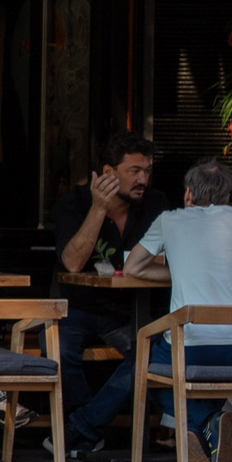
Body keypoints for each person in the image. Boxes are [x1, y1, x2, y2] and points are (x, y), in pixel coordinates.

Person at [55, 158, 232, 462]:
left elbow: (133, 268)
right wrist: (191, 272)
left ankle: (189, 425)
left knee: (143, 363)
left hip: (194, 343)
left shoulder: (170, 220)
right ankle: (210, 423)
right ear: (228, 197)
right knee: (160, 364)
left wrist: (179, 271)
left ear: (188, 194)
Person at [49, 133, 168, 403]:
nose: (143, 180)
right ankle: (79, 429)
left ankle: (84, 427)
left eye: (146, 171)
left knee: (151, 355)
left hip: (129, 309)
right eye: (134, 171)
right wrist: (98, 208)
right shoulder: (74, 203)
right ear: (108, 172)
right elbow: (73, 263)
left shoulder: (156, 204)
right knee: (59, 351)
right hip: (76, 307)